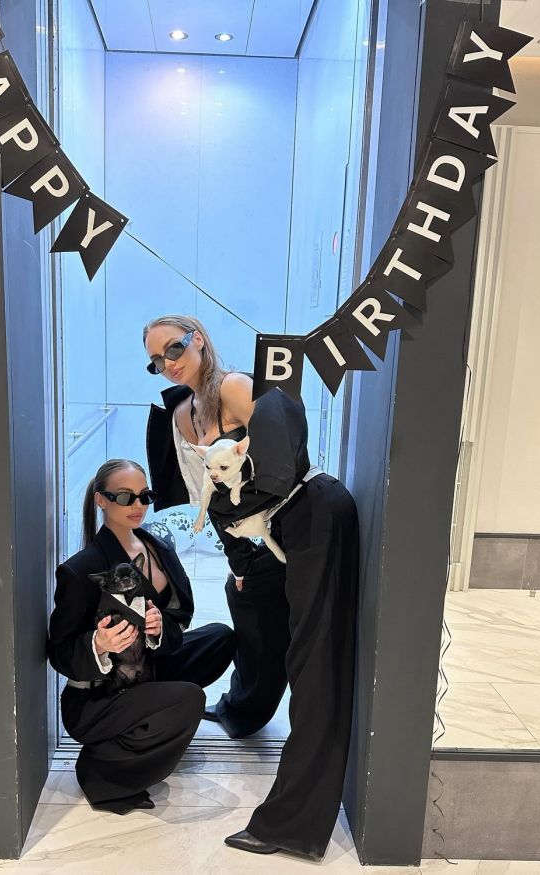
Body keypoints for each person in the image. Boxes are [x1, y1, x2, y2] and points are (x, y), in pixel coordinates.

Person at [144, 315, 359, 860]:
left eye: (174, 348)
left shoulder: (237, 387)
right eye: (156, 361)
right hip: (270, 528)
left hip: (312, 513)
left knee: (314, 665)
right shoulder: (183, 415)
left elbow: (280, 470)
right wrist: (239, 558)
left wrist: (231, 516)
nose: (168, 364)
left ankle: (292, 824)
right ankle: (243, 708)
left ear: (198, 339)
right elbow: (207, 493)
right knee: (245, 597)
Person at [47, 458, 235, 815]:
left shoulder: (157, 547)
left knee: (220, 638)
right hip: (98, 697)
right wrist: (98, 645)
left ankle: (155, 715)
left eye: (144, 496)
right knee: (189, 700)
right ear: (101, 500)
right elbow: (59, 651)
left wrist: (159, 628)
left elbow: (181, 614)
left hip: (146, 667)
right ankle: (103, 769)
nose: (138, 506)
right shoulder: (81, 569)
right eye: (125, 497)